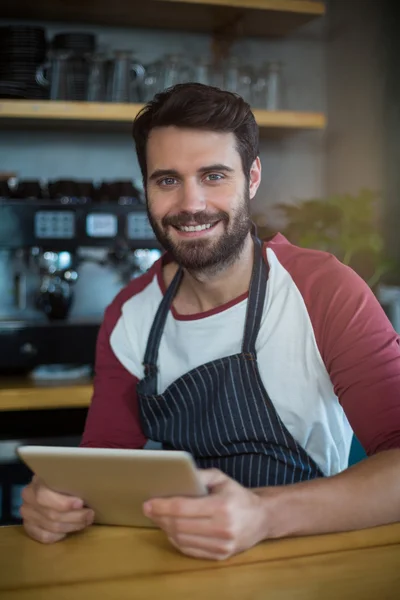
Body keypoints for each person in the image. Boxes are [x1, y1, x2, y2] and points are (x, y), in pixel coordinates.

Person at [21, 83, 400, 560]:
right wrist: (59, 501)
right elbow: (105, 463)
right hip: (178, 556)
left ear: (253, 177)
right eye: (167, 180)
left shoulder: (323, 290)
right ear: (147, 188)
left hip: (305, 555)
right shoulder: (131, 313)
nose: (191, 203)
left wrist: (262, 515)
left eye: (214, 175)